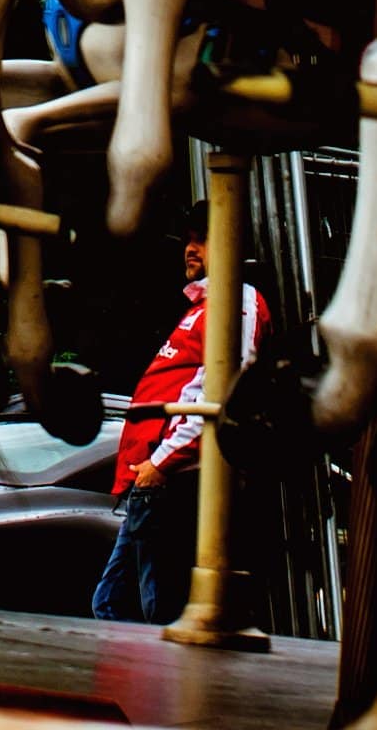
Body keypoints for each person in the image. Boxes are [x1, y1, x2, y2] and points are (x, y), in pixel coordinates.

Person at [90, 235, 261, 625]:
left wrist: (160, 464)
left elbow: (219, 392)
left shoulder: (236, 303)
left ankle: (166, 685)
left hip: (173, 480)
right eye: (189, 239)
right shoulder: (203, 308)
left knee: (155, 610)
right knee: (112, 603)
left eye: (205, 238)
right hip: (155, 479)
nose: (190, 248)